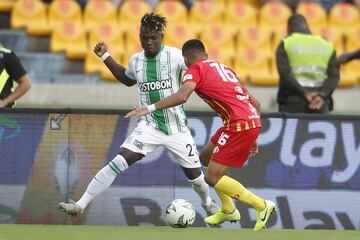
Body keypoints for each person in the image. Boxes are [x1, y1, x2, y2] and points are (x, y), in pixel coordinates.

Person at [58, 13, 218, 217]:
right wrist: (106, 57)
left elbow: (200, 69)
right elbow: (127, 79)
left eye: (154, 38)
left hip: (177, 128)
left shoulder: (176, 56)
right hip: (149, 126)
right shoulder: (137, 60)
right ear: (140, 36)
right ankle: (80, 204)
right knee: (117, 162)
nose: (149, 42)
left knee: (195, 177)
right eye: (145, 38)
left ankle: (206, 202)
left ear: (161, 37)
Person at [126, 39, 276, 231]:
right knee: (205, 157)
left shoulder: (195, 69)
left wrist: (149, 108)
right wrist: (254, 134)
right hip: (244, 121)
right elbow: (255, 103)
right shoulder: (224, 68)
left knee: (211, 178)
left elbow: (182, 96)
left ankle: (261, 206)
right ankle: (229, 209)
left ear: (186, 59)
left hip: (238, 124)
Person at [276, 13, 340, 113]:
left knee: (294, 129)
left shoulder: (286, 43)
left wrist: (305, 93)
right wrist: (322, 95)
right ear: (307, 26)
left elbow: (284, 74)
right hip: (320, 103)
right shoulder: (327, 45)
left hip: (293, 102)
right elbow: (334, 76)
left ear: (288, 28)